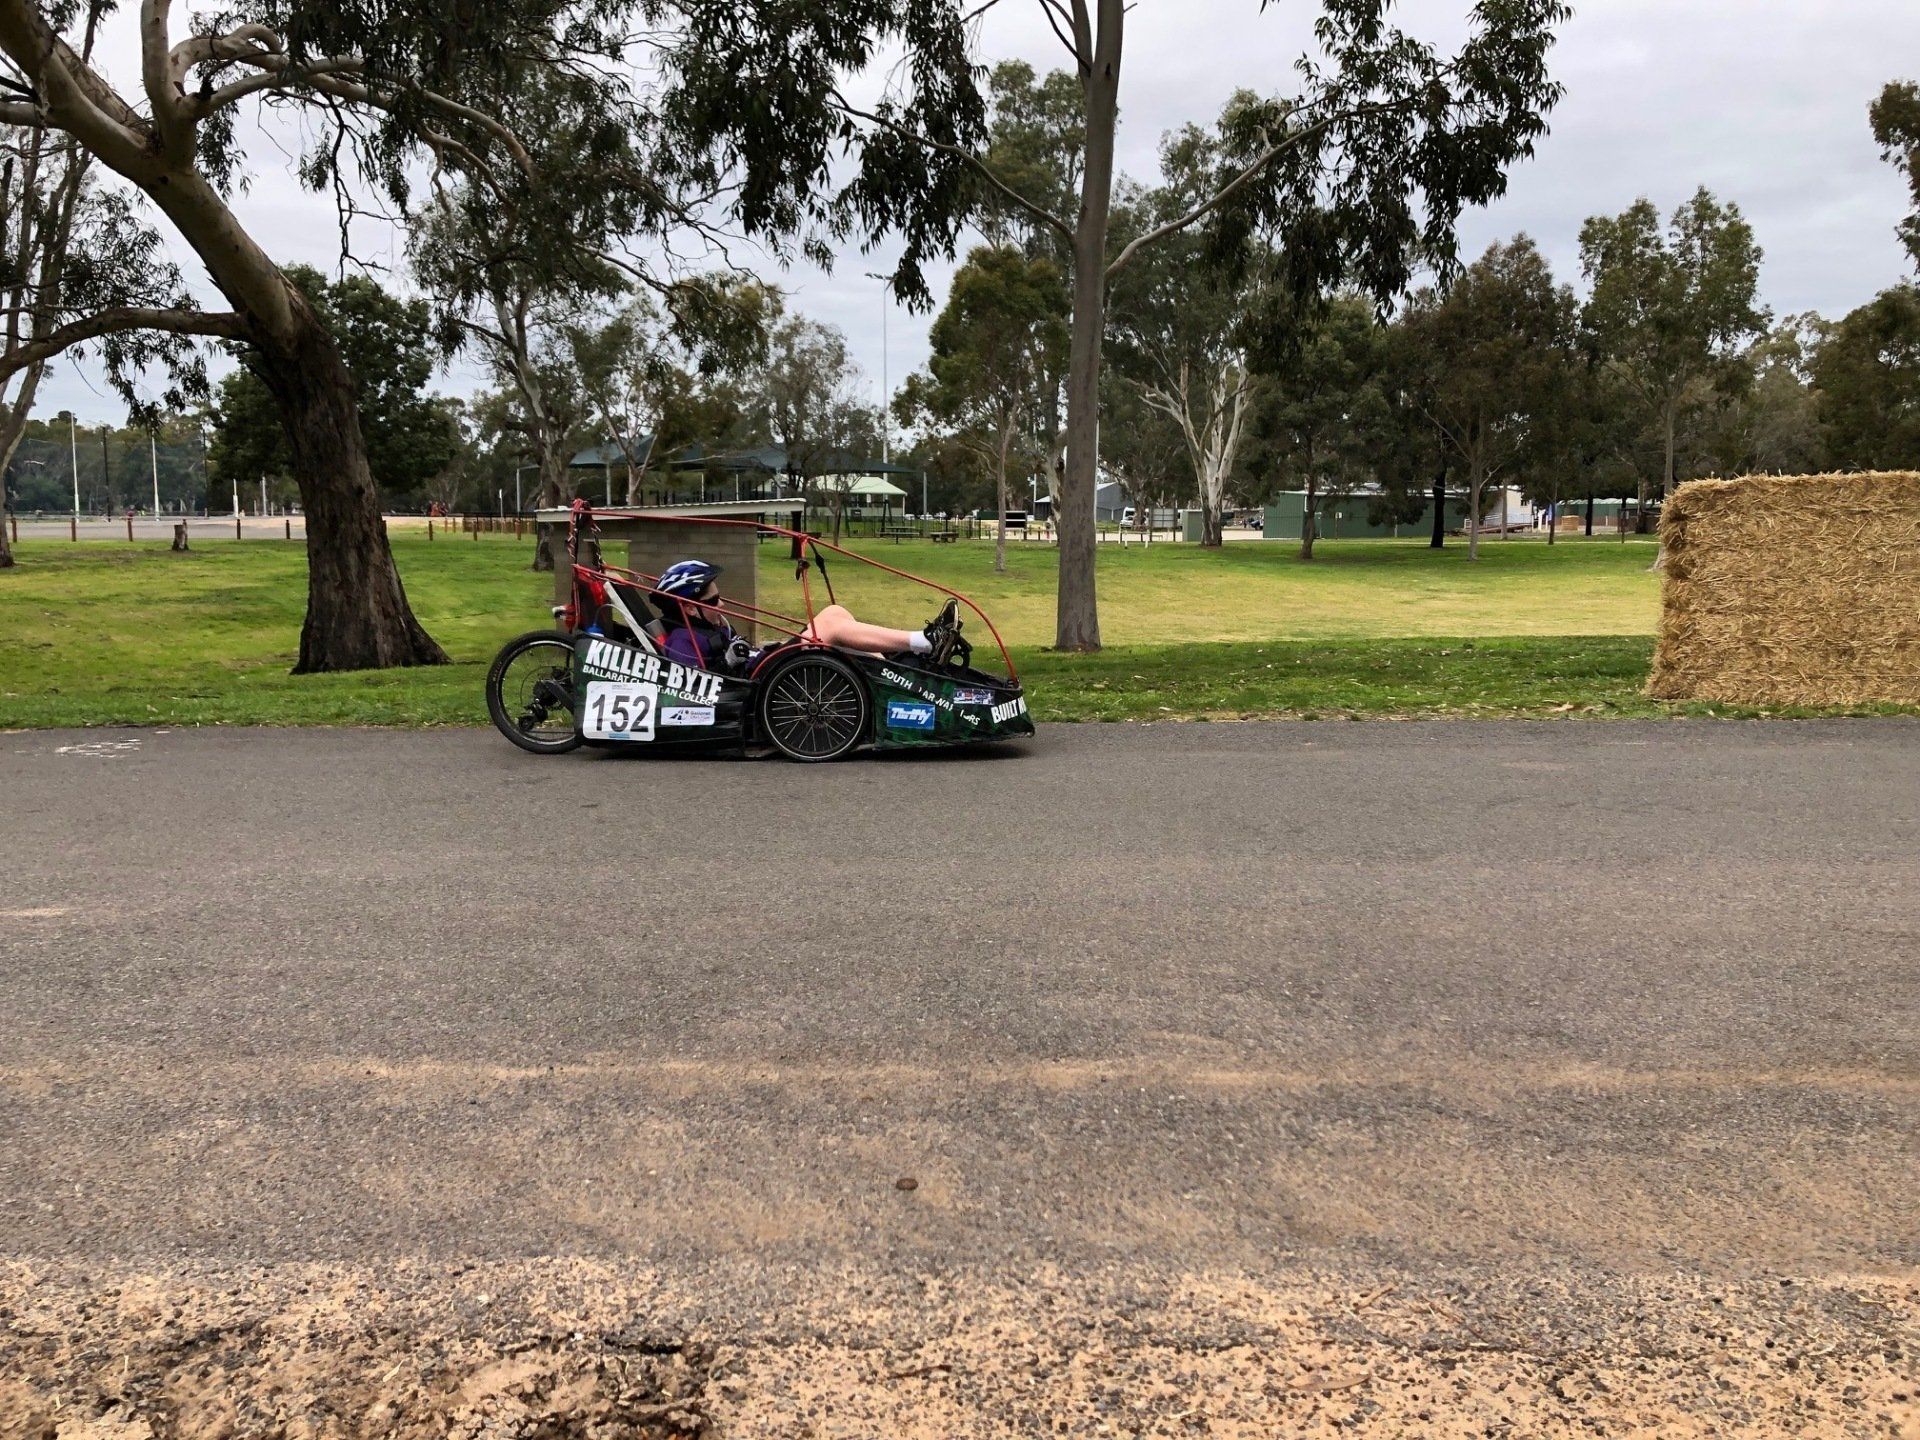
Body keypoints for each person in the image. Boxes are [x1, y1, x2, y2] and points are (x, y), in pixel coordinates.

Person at [650, 559, 965, 673]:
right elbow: (692, 688)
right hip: (761, 678)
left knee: (835, 612)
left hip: (765, 662)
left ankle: (900, 670)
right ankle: (923, 642)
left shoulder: (708, 624)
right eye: (713, 600)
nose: (721, 605)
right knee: (828, 624)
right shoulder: (681, 639)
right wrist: (728, 662)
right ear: (689, 606)